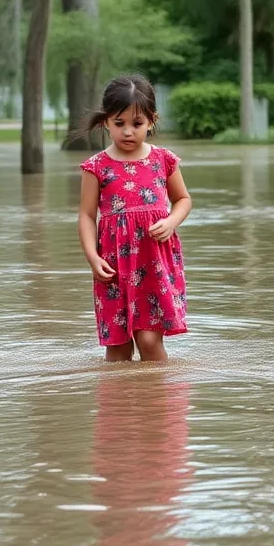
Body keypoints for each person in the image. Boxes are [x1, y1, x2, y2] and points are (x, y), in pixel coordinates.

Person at [78, 75, 191, 362]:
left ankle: (160, 403)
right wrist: (92, 257)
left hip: (153, 262)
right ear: (106, 121)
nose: (128, 132)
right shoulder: (96, 166)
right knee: (117, 347)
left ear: (151, 121)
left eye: (137, 124)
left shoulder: (163, 160)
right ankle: (120, 406)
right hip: (113, 265)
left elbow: (183, 199)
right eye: (119, 123)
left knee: (149, 339)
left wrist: (171, 222)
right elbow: (87, 215)